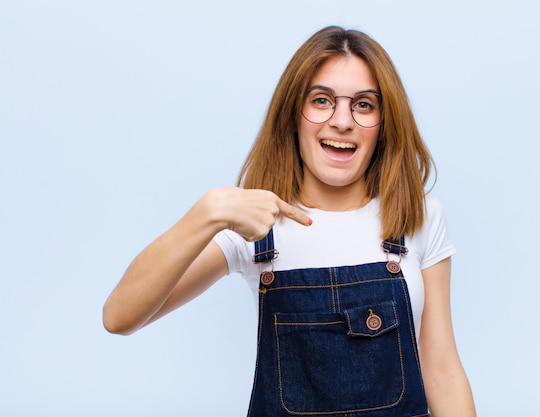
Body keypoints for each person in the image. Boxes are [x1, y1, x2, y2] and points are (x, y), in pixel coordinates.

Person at [103, 25, 476, 416]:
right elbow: (119, 316)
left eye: (364, 104)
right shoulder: (252, 226)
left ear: (384, 124)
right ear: (292, 114)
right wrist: (209, 212)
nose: (342, 121)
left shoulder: (418, 216)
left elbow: (442, 372)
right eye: (321, 100)